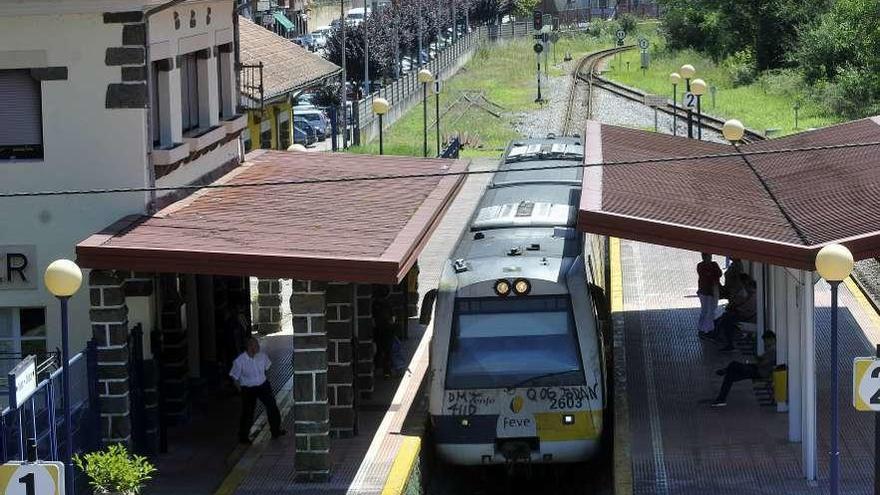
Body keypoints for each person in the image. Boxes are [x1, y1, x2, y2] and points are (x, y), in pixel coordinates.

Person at [229, 337, 285, 444]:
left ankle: (276, 430)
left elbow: (268, 369)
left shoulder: (262, 357)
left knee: (272, 406)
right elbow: (234, 376)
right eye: (255, 345)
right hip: (248, 388)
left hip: (263, 385)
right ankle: (243, 436)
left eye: (257, 345)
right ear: (249, 347)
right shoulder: (240, 361)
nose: (258, 347)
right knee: (248, 412)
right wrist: (241, 390)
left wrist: (266, 382)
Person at [711, 331, 776, 407]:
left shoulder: (773, 350)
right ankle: (721, 399)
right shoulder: (771, 349)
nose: (765, 343)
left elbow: (763, 363)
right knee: (730, 375)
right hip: (758, 369)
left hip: (759, 372)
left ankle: (725, 373)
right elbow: (762, 361)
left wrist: (758, 359)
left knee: (734, 364)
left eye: (766, 341)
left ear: (771, 339)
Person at [705, 274, 757, 352]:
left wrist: (735, 307)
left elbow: (745, 308)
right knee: (724, 318)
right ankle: (716, 335)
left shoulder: (752, 296)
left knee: (727, 320)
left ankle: (726, 342)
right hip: (744, 315)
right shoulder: (748, 294)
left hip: (747, 317)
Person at [696, 253, 722, 337]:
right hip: (706, 291)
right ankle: (706, 329)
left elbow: (719, 273)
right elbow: (710, 275)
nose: (710, 258)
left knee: (710, 310)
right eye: (708, 256)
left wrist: (711, 273)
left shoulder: (712, 265)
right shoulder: (702, 266)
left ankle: (705, 328)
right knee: (707, 310)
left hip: (710, 290)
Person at [372, 286, 395, 379]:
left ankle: (375, 368)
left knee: (378, 350)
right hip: (387, 330)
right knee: (387, 352)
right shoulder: (389, 304)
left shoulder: (374, 304)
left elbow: (372, 319)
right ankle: (387, 372)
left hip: (377, 330)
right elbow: (393, 319)